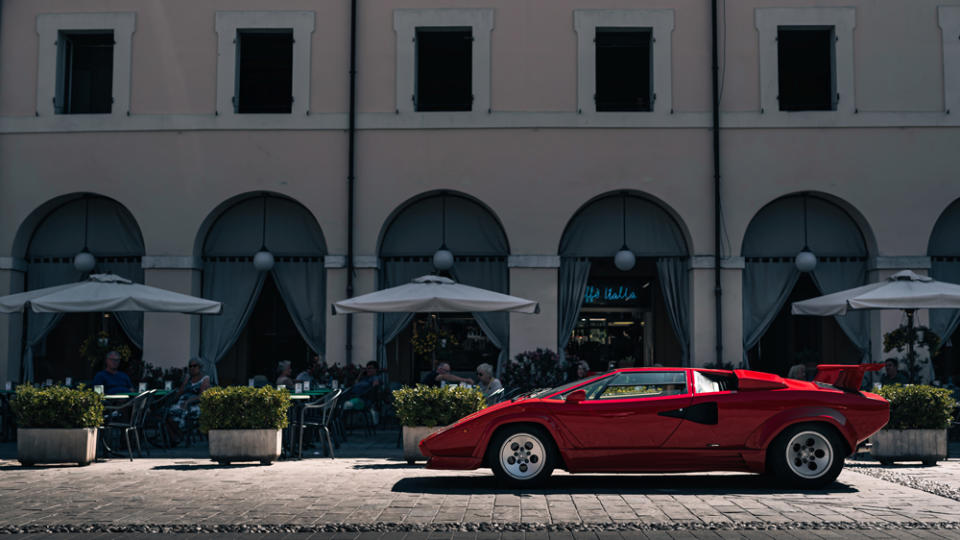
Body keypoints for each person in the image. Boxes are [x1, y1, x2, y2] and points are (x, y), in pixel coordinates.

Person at [167, 357, 211, 445]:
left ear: (200, 367)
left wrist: (188, 401)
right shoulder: (188, 378)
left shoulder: (205, 378)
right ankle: (176, 437)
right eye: (190, 366)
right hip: (182, 402)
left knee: (177, 413)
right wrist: (172, 399)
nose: (192, 368)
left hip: (195, 404)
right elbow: (180, 391)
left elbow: (201, 396)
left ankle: (179, 435)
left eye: (194, 366)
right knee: (167, 413)